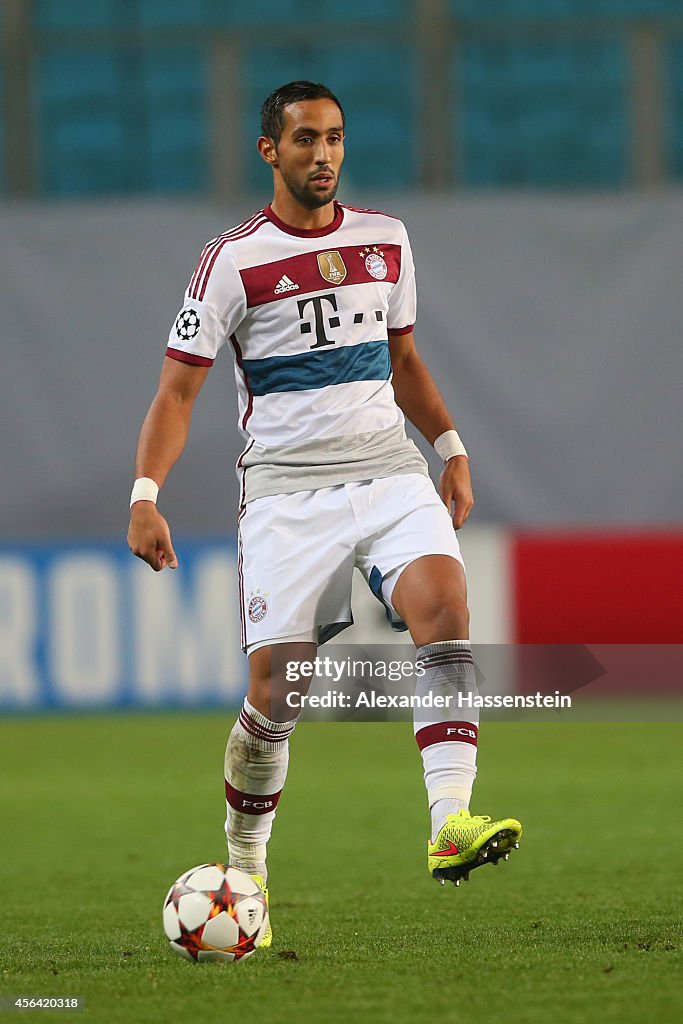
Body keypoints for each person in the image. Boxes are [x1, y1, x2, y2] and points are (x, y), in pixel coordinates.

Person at [128, 80, 522, 946]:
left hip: (387, 467)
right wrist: (145, 494)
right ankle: (247, 869)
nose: (324, 155)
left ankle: (448, 823)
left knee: (446, 610)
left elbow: (404, 357)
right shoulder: (231, 260)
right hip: (285, 488)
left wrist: (449, 445)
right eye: (305, 139)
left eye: (335, 137)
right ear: (269, 150)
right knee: (276, 694)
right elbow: (176, 392)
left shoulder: (386, 240)